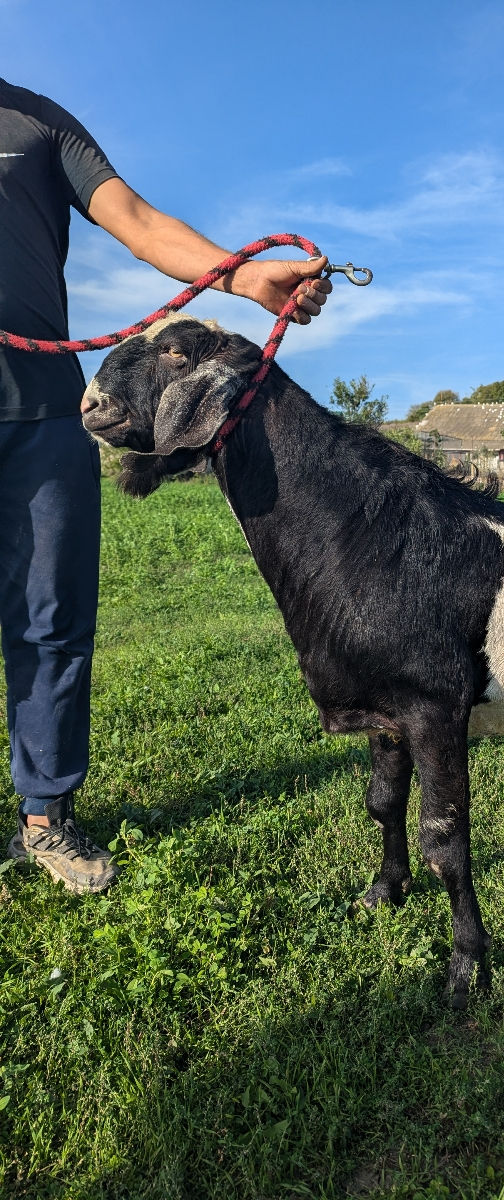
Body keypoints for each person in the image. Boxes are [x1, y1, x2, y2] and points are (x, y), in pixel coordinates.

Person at [0, 77, 332, 893]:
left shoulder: (37, 122)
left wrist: (242, 277)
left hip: (40, 415)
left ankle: (46, 820)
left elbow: (140, 223)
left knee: (51, 621)